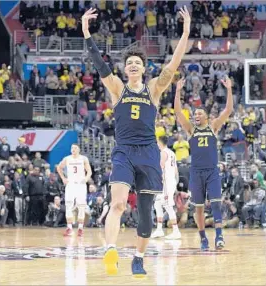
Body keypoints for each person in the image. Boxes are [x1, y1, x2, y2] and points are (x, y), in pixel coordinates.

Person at [81, 6, 190, 276]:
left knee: (145, 217)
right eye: (129, 62)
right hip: (124, 152)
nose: (132, 65)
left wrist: (186, 32)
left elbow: (173, 64)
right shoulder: (117, 86)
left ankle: (139, 256)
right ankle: (110, 250)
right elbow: (99, 62)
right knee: (117, 203)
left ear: (143, 67)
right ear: (125, 68)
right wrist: (85, 32)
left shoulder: (154, 88)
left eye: (137, 62)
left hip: (149, 154)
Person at [174, 76, 233, 250]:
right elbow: (178, 112)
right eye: (194, 114)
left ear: (207, 117)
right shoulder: (190, 130)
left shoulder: (213, 126)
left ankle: (219, 237)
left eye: (199, 113)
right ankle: (203, 238)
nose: (196, 115)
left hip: (212, 172)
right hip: (196, 173)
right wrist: (177, 91)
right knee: (198, 209)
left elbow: (228, 110)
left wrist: (229, 89)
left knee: (216, 203)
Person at [57, 143, 92, 237]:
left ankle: (80, 228)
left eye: (75, 148)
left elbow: (89, 171)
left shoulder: (84, 158)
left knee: (81, 206)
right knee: (68, 205)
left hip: (80, 184)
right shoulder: (67, 158)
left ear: (79, 149)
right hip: (70, 184)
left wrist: (86, 178)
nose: (73, 149)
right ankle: (69, 228)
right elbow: (59, 167)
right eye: (72, 148)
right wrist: (63, 178)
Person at [151, 136, 181, 239]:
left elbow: (160, 168)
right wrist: (175, 183)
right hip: (170, 181)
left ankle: (176, 231)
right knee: (157, 204)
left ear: (160, 143)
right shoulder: (172, 153)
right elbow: (176, 171)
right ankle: (159, 230)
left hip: (166, 183)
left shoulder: (163, 153)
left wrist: (161, 181)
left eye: (157, 142)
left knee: (168, 205)